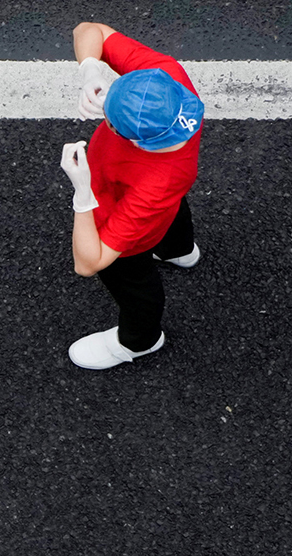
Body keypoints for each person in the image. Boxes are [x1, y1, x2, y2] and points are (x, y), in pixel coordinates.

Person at [57, 21, 205, 369]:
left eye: (109, 119)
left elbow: (89, 263)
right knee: (175, 215)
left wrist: (82, 194)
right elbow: (88, 30)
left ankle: (140, 340)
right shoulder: (168, 80)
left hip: (121, 211)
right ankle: (179, 252)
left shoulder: (153, 187)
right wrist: (91, 69)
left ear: (136, 141)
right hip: (165, 205)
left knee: (133, 281)